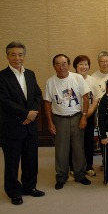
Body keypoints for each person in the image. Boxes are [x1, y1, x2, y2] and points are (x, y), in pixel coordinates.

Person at [0, 41, 44, 205]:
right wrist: (25, 114)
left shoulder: (30, 74)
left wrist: (31, 115)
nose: (17, 58)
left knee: (31, 159)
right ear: (7, 56)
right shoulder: (2, 77)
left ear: (24, 56)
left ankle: (29, 187)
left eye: (20, 55)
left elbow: (37, 95)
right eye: (13, 54)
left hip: (30, 126)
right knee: (12, 162)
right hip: (12, 126)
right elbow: (4, 101)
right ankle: (14, 191)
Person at [44, 54, 91, 190]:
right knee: (61, 151)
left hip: (77, 117)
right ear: (54, 66)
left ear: (69, 65)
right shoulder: (50, 82)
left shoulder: (77, 78)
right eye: (57, 64)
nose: (61, 67)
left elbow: (86, 98)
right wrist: (50, 123)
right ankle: (61, 176)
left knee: (78, 149)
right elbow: (47, 103)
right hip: (59, 119)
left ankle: (80, 175)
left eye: (64, 63)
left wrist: (83, 117)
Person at [68, 55, 101, 177]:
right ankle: (73, 166)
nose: (84, 66)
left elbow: (96, 98)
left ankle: (88, 166)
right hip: (74, 115)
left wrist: (88, 113)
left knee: (87, 141)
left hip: (89, 115)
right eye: (81, 64)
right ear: (75, 67)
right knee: (74, 142)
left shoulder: (93, 80)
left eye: (86, 64)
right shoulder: (70, 79)